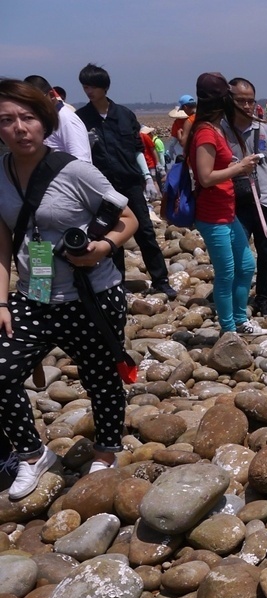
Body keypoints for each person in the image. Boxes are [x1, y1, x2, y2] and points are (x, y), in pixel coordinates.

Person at [0, 79, 140, 496]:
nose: (20, 128)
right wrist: (1, 301)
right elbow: (2, 243)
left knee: (101, 378)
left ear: (44, 122)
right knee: (2, 374)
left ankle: (106, 453)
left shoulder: (75, 171)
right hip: (34, 295)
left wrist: (102, 247)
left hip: (91, 294)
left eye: (27, 118)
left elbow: (127, 217)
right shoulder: (0, 174)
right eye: (7, 120)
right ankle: (32, 454)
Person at [76, 63, 176, 300]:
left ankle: (161, 281)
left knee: (145, 232)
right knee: (109, 235)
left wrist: (148, 178)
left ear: (105, 87)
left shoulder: (124, 115)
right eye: (85, 86)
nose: (88, 91)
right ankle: (116, 283)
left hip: (130, 183)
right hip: (102, 188)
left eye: (93, 86)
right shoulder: (81, 119)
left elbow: (137, 149)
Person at [187, 73, 266, 337]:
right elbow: (206, 177)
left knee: (245, 266)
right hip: (212, 215)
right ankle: (229, 330)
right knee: (226, 273)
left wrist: (235, 167)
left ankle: (241, 320)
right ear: (223, 99)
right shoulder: (206, 132)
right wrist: (239, 168)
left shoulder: (215, 127)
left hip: (226, 211)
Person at [223, 77, 267, 319]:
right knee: (234, 252)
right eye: (240, 101)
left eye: (250, 101)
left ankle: (264, 297)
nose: (246, 106)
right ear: (229, 100)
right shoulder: (220, 130)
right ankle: (232, 296)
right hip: (235, 202)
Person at [22, 76, 90, 163]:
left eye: (38, 101)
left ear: (51, 95)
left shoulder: (67, 119)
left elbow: (82, 161)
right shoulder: (45, 120)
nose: (35, 106)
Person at [167, 94, 197, 162]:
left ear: (185, 107)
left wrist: (179, 134)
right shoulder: (202, 116)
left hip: (191, 153)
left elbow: (182, 143)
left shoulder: (188, 121)